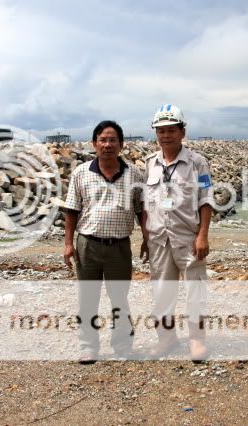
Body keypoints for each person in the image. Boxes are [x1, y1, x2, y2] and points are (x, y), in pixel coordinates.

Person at [63, 120, 144, 364]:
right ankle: (88, 346)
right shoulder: (81, 173)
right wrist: (68, 244)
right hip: (88, 245)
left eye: (113, 140)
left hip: (119, 247)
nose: (108, 145)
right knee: (87, 299)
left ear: (121, 144)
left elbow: (142, 211)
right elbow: (71, 210)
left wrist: (147, 239)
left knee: (119, 298)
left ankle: (122, 345)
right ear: (94, 144)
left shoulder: (134, 174)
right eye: (103, 140)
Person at [141, 104, 213, 360]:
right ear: (156, 134)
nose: (166, 135)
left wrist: (202, 235)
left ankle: (196, 340)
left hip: (188, 238)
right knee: (162, 293)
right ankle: (167, 339)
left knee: (195, 291)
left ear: (182, 132)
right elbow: (146, 204)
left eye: (171, 130)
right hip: (159, 239)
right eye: (161, 131)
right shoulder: (150, 163)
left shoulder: (197, 163)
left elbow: (206, 200)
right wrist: (145, 237)